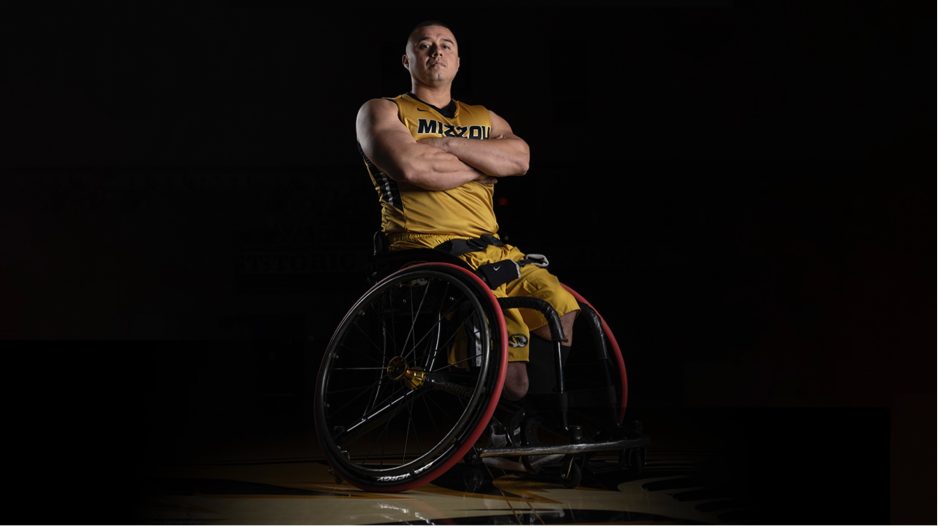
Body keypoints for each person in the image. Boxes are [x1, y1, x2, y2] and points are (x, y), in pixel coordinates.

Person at [355, 20, 579, 406]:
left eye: (445, 45)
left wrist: (445, 144)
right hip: (427, 248)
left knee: (560, 305)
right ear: (407, 60)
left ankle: (528, 422)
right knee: (512, 368)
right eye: (424, 45)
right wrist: (487, 163)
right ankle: (493, 425)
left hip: (493, 249)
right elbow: (413, 169)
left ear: (458, 61)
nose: (435, 51)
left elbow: (521, 159)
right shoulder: (383, 110)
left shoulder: (484, 118)